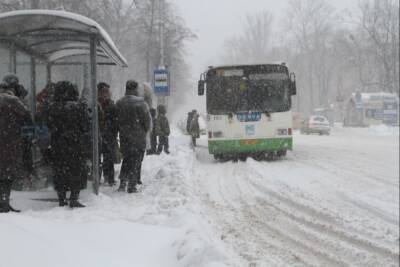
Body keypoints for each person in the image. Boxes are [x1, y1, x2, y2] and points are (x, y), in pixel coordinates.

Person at [46, 81, 90, 208]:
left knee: (60, 171)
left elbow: (49, 125)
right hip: (75, 144)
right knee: (77, 170)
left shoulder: (52, 107)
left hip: (58, 144)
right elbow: (85, 126)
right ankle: (74, 198)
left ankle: (61, 198)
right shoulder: (78, 107)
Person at [0, 80, 32, 212]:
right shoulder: (15, 102)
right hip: (10, 145)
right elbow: (29, 122)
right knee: (7, 175)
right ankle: (4, 202)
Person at [116, 80, 151, 193]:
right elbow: (147, 122)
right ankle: (132, 185)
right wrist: (143, 131)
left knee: (126, 159)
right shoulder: (141, 103)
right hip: (138, 138)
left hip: (124, 137)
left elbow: (116, 121)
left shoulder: (120, 102)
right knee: (136, 161)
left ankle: (122, 183)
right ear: (135, 89)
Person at [98, 82, 118, 186]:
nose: (106, 94)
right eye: (103, 92)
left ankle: (109, 178)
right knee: (96, 158)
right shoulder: (95, 104)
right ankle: (96, 178)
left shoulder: (111, 105)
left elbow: (115, 121)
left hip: (108, 135)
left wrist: (113, 133)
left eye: (107, 92)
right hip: (98, 135)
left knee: (109, 158)